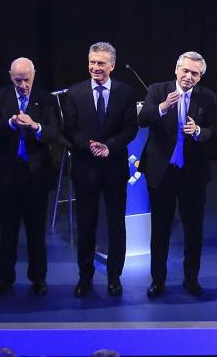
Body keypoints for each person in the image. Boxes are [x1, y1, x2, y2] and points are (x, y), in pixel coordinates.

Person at [62, 42, 137, 298]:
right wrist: (90, 146)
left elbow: (130, 130)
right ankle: (85, 277)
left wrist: (109, 147)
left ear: (112, 66)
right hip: (85, 169)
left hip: (115, 168)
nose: (95, 67)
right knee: (86, 225)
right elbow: (70, 130)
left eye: (101, 63)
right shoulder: (74, 93)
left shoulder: (126, 93)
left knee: (116, 225)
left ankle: (115, 277)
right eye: (92, 62)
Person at [138, 51, 216, 298]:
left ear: (200, 76)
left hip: (192, 174)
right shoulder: (158, 91)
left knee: (194, 229)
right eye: (185, 71)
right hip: (162, 173)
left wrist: (198, 131)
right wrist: (162, 107)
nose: (188, 76)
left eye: (195, 73)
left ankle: (191, 278)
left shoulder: (208, 98)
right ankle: (157, 280)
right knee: (160, 229)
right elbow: (142, 119)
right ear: (176, 70)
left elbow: (214, 132)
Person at [0, 57, 62, 297]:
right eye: (18, 80)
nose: (22, 85)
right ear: (10, 76)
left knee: (36, 232)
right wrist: (10, 123)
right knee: (8, 231)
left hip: (36, 176)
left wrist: (36, 126)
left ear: (34, 75)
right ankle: (4, 277)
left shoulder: (47, 99)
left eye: (26, 79)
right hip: (8, 175)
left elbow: (55, 132)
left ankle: (38, 278)